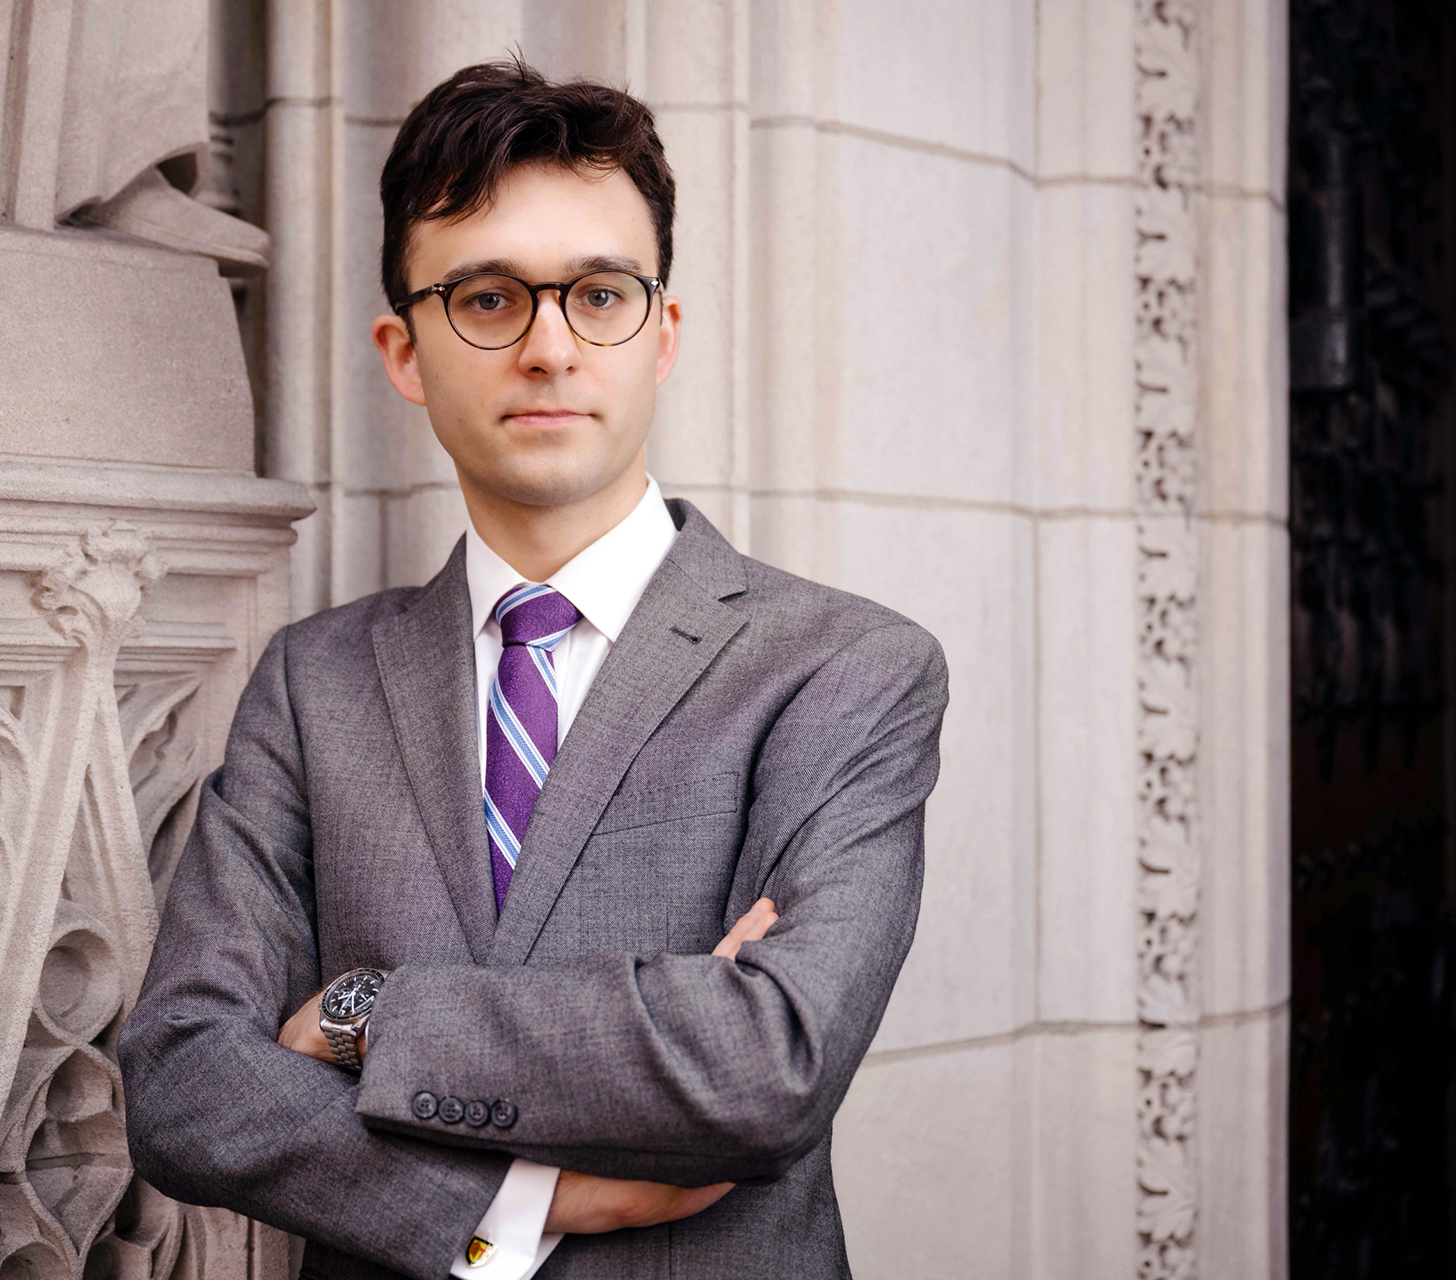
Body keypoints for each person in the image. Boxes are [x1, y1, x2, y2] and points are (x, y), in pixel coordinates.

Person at [120, 58, 948, 1280]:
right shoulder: (314, 682)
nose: (552, 345)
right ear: (404, 350)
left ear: (660, 335)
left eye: (600, 293)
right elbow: (184, 1076)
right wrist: (529, 1196)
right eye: (491, 298)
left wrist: (361, 1015)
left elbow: (769, 1060)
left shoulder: (847, 669)